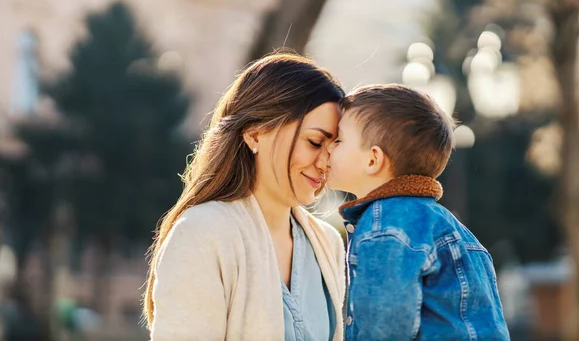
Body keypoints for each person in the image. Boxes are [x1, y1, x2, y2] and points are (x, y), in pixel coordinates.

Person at [143, 53, 347, 341]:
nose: (326, 162)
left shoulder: (328, 243)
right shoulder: (202, 233)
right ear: (254, 135)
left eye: (334, 146)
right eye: (315, 142)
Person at [326, 84, 509, 340]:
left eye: (338, 140)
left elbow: (386, 326)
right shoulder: (447, 224)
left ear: (372, 160)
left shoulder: (384, 225)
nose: (327, 148)